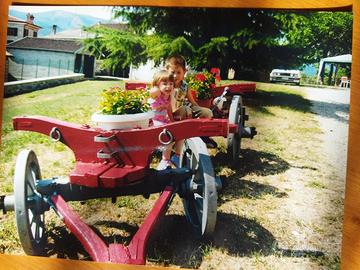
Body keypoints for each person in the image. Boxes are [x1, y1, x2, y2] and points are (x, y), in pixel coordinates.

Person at [164, 55, 215, 167]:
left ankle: (199, 133)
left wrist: (199, 110)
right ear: (167, 71)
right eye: (172, 72)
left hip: (185, 110)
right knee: (185, 110)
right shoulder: (167, 85)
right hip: (171, 112)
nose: (175, 75)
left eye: (179, 72)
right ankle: (181, 137)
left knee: (207, 112)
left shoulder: (185, 85)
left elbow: (192, 101)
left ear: (184, 72)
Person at [149, 70, 176, 170]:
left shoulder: (168, 96)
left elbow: (169, 109)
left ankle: (166, 157)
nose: (168, 86)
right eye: (165, 84)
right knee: (166, 133)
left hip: (162, 121)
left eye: (171, 84)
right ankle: (164, 157)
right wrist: (155, 89)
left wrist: (172, 121)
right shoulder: (156, 94)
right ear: (157, 85)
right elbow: (150, 95)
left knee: (171, 133)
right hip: (153, 121)